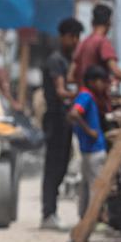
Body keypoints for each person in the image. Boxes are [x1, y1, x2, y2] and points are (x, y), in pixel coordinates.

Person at [41, 17, 84, 230]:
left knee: (63, 164)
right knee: (54, 167)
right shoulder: (57, 60)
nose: (75, 41)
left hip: (64, 120)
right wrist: (79, 95)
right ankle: (48, 213)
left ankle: (51, 212)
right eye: (72, 37)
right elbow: (60, 91)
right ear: (64, 37)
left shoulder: (67, 60)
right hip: (56, 119)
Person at [69, 4, 121, 115]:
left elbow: (70, 77)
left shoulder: (83, 44)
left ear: (92, 22)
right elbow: (116, 71)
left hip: (81, 103)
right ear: (109, 23)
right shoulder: (102, 42)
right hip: (97, 105)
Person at [68, 65, 110, 221]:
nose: (103, 85)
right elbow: (74, 114)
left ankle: (84, 217)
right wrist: (89, 131)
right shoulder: (86, 96)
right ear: (93, 81)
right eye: (102, 81)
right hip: (94, 149)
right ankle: (93, 218)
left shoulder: (84, 96)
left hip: (87, 149)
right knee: (96, 186)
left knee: (86, 187)